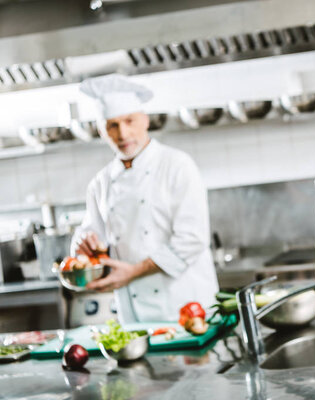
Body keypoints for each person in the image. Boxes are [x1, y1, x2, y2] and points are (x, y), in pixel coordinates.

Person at [71, 74, 219, 323]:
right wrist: (82, 245)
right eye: (112, 125)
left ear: (145, 120)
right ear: (101, 130)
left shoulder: (177, 165)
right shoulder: (101, 182)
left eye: (129, 121)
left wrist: (133, 272)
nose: (123, 133)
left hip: (187, 308)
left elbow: (192, 240)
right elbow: (91, 235)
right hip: (136, 316)